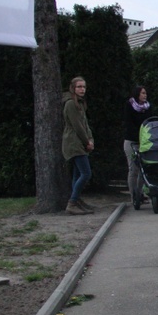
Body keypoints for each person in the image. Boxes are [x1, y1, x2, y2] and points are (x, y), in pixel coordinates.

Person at [62, 76, 95, 215]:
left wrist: (90, 139)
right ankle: (72, 202)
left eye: (84, 87)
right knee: (86, 173)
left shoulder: (81, 103)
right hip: (74, 143)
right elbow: (77, 126)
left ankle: (77, 200)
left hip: (80, 142)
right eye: (79, 87)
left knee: (77, 174)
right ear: (73, 88)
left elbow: (85, 124)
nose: (82, 89)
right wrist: (87, 141)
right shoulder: (70, 104)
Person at [123, 85, 152, 203]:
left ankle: (140, 193)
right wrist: (138, 135)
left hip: (144, 141)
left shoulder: (148, 107)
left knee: (143, 169)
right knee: (133, 169)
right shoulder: (129, 106)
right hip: (132, 141)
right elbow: (128, 123)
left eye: (145, 93)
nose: (145, 95)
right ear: (137, 94)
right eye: (142, 93)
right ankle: (133, 195)